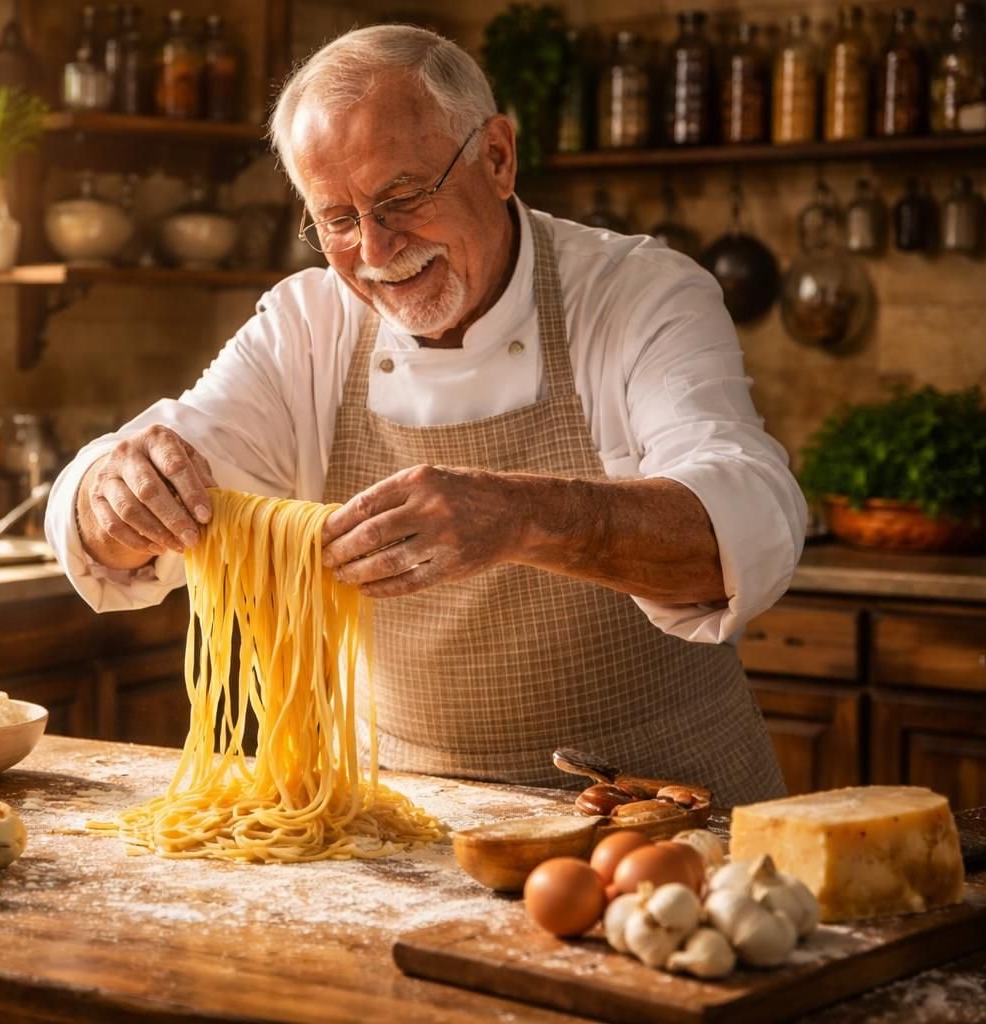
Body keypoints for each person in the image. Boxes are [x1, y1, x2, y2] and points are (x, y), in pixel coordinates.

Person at [44, 24, 804, 806]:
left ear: (498, 158)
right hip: (405, 822)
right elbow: (151, 475)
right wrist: (113, 494)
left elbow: (746, 519)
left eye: (401, 198)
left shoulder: (639, 294)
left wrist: (521, 515)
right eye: (337, 219)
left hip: (665, 819)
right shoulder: (306, 326)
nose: (375, 248)